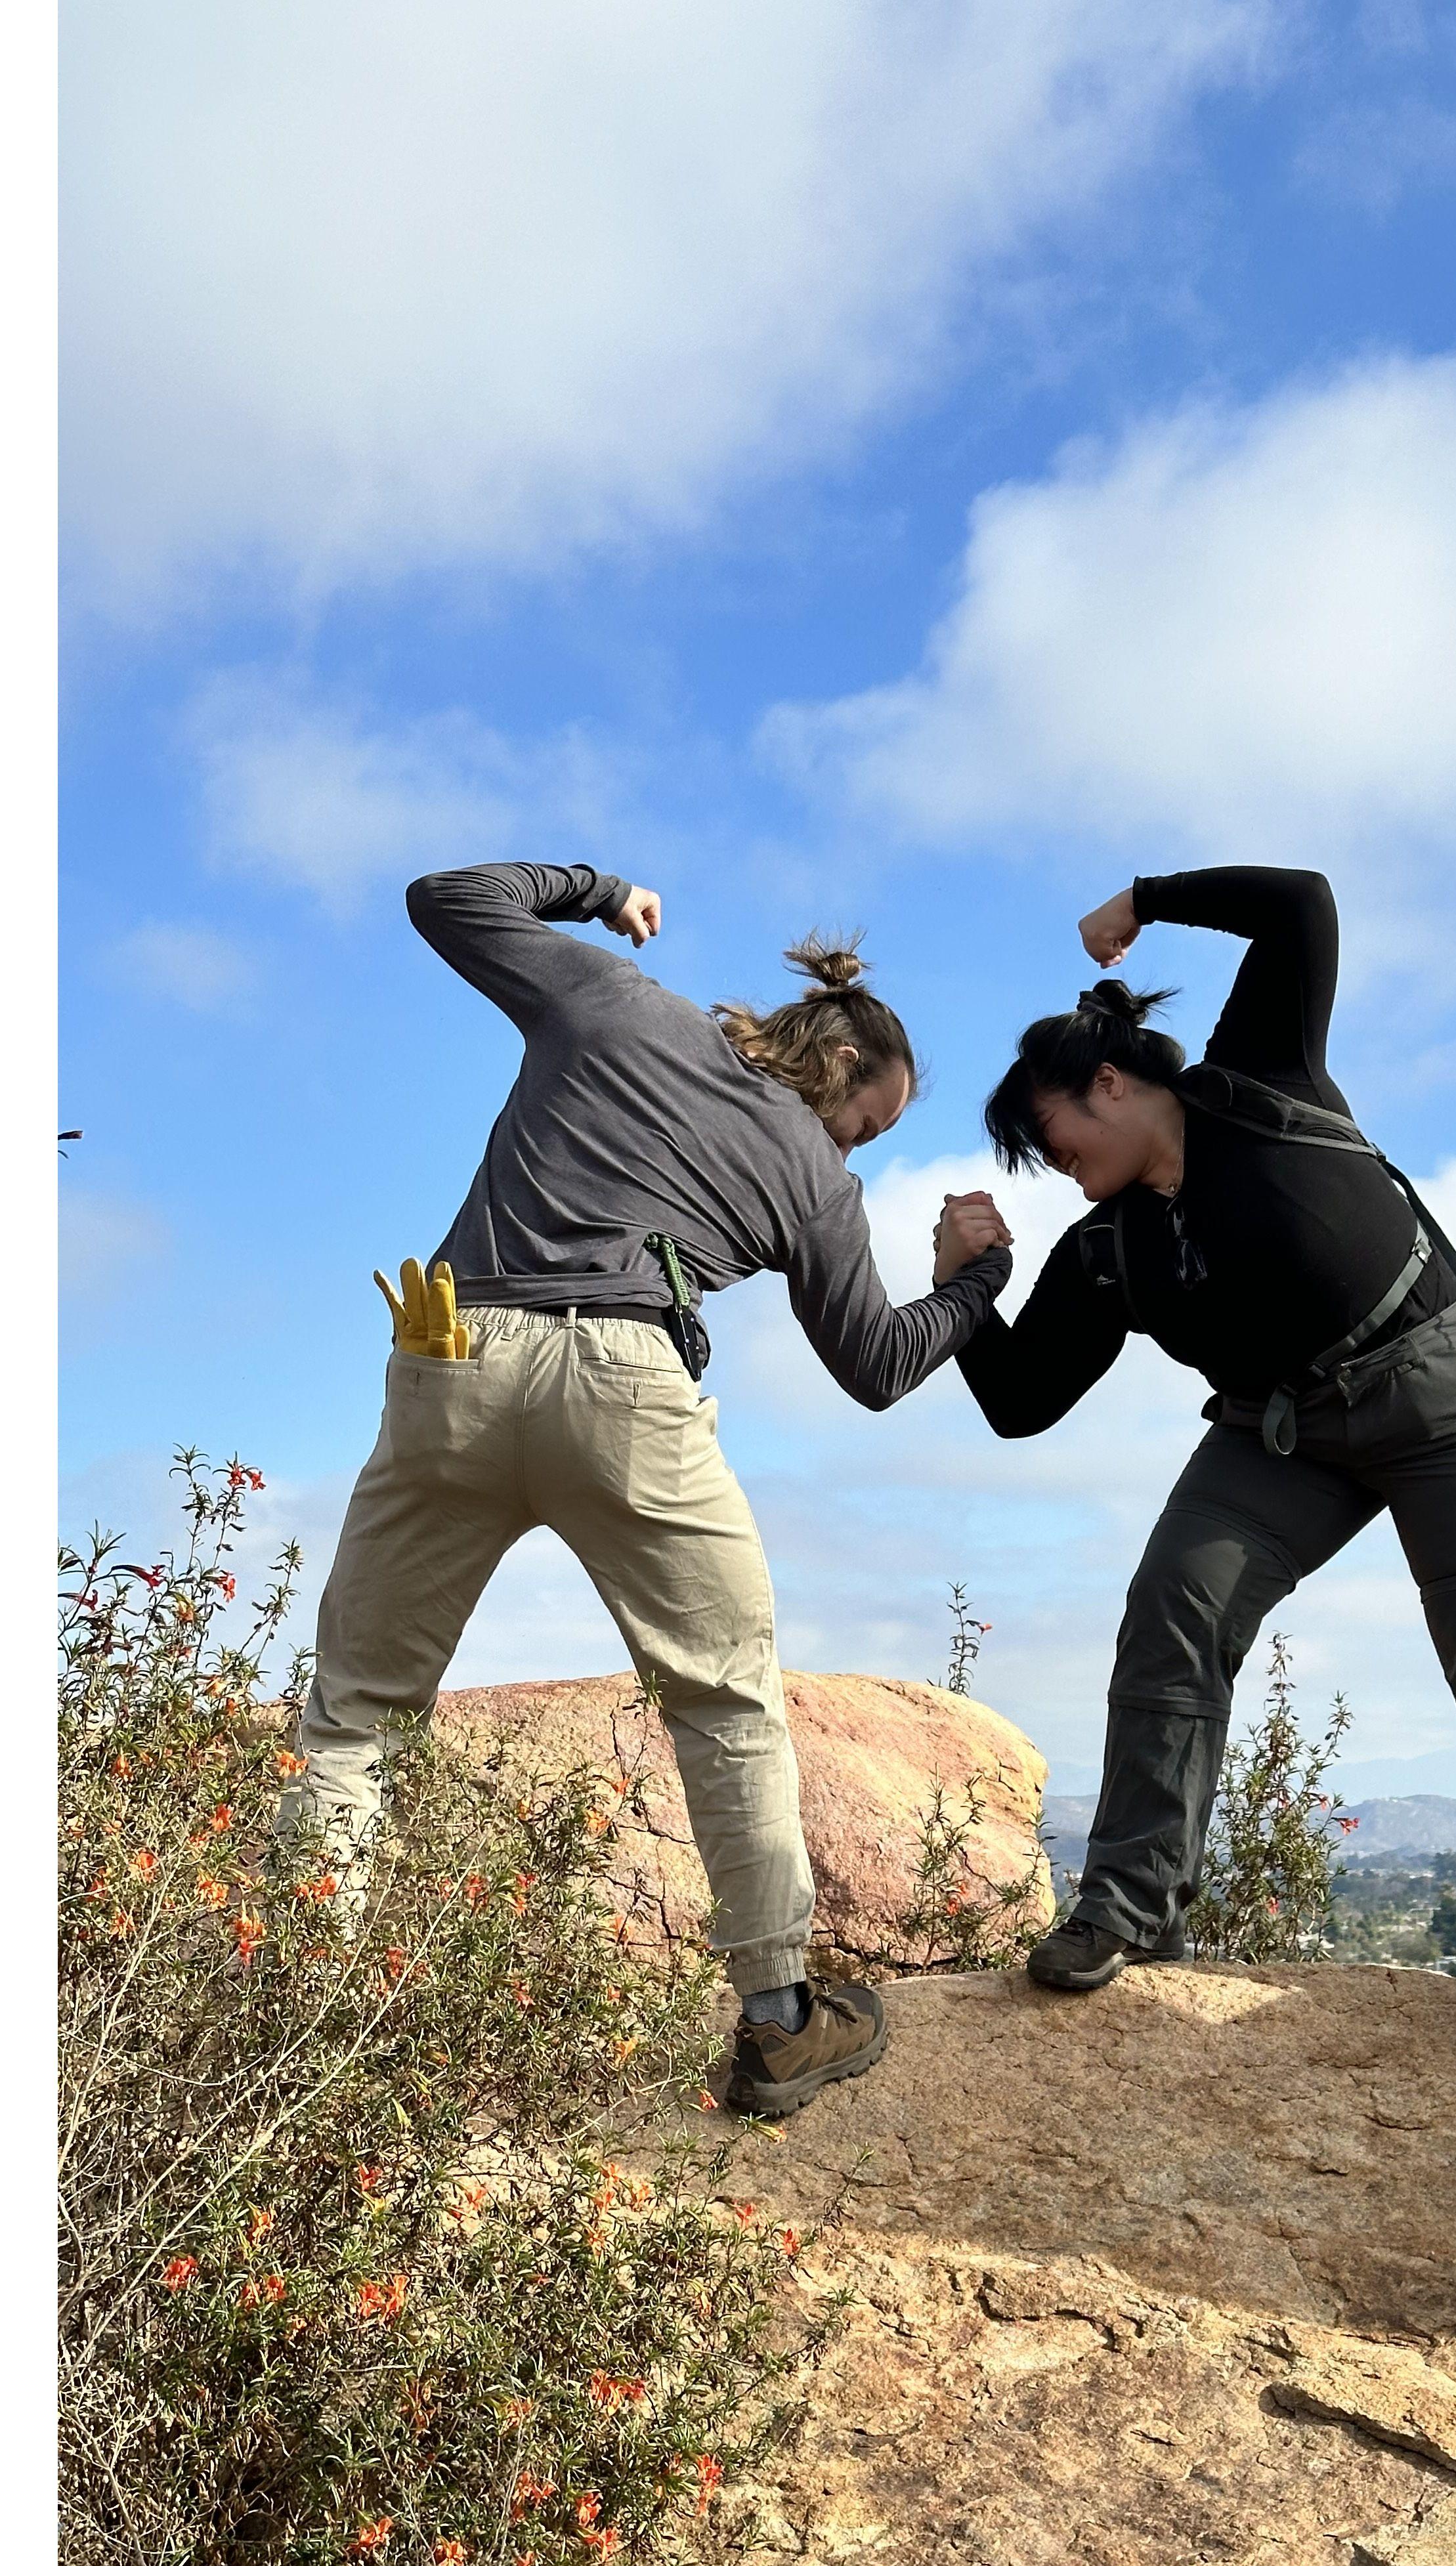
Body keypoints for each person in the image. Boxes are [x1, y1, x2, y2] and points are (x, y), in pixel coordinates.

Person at [278, 859, 1014, 2113]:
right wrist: (974, 1285)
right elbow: (880, 1367)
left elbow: (443, 898)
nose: (855, 1144)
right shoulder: (815, 1174)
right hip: (626, 1385)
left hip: (454, 1355)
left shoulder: (616, 1000)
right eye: (868, 1123)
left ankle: (284, 2025)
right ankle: (780, 2022)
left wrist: (595, 889)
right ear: (842, 1067)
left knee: (356, 1713)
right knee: (725, 1703)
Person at [960, 867, 1456, 2059]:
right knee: (1175, 1601)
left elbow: (1303, 906)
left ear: (1107, 1083)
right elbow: (1020, 1404)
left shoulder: (1258, 1082)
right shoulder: (1110, 1249)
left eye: (1047, 1134)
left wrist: (1144, 900)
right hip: (1288, 1433)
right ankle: (1128, 1909)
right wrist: (970, 1287)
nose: (1047, 1163)